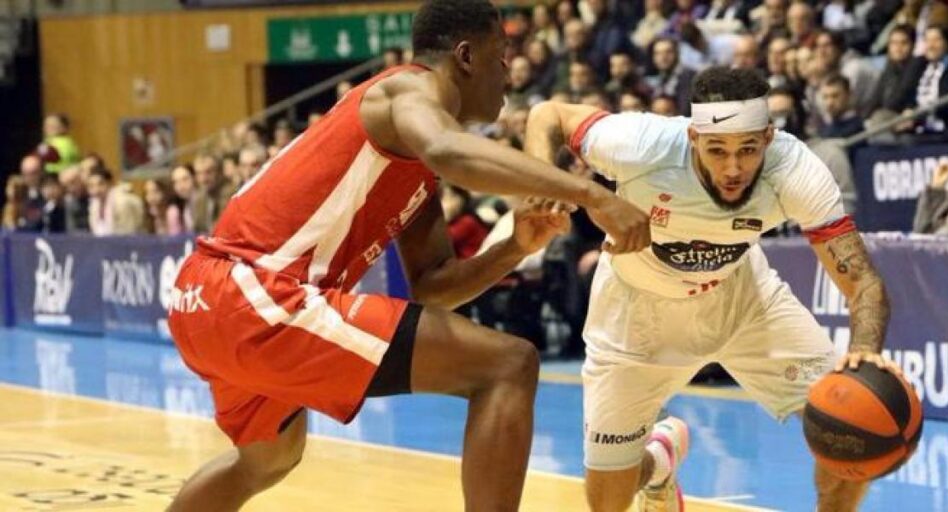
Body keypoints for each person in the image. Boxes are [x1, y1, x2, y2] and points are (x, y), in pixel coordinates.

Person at [165, 1, 651, 511]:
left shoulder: (414, 165)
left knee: (267, 459)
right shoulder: (407, 88)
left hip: (206, 300)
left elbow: (433, 287)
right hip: (250, 292)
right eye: (501, 55)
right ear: (465, 55)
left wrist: (515, 247)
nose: (508, 70)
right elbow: (449, 149)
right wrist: (593, 195)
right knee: (507, 366)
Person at [525, 66, 900, 512]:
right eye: (717, 150)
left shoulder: (794, 168)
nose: (733, 168)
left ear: (767, 136)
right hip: (635, 311)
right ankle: (658, 462)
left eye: (747, 149)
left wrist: (866, 352)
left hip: (744, 298)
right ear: (692, 138)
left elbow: (863, 281)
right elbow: (547, 115)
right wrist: (546, 187)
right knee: (609, 501)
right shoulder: (643, 143)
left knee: (851, 431)